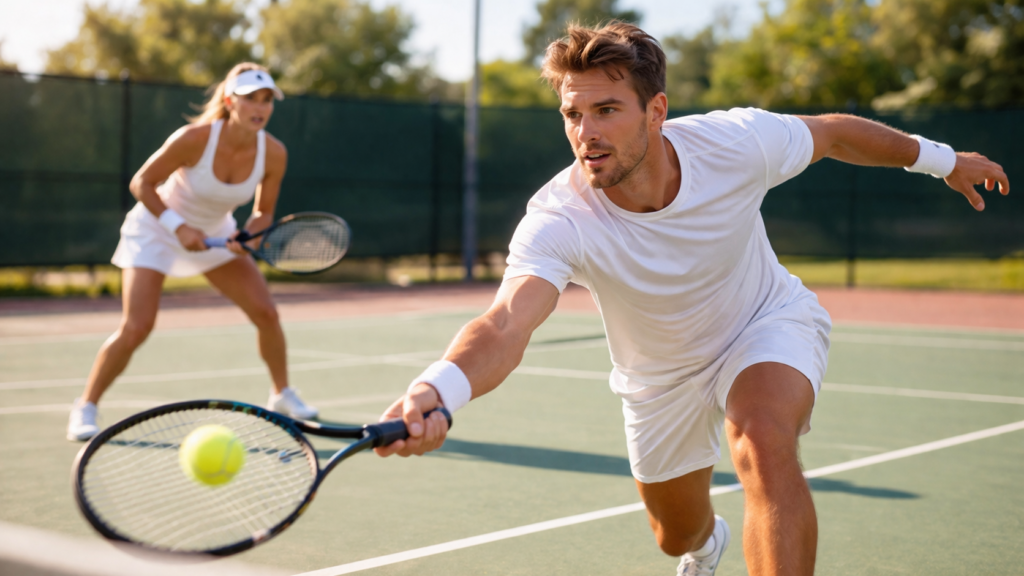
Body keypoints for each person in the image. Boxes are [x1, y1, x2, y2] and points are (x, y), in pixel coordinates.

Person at [373, 22, 1011, 575]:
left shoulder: (736, 143)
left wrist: (943, 158)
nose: (586, 133)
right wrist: (439, 390)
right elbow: (507, 322)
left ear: (656, 111)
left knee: (761, 438)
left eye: (607, 110)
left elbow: (833, 133)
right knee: (673, 533)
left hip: (764, 322)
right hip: (658, 379)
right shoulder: (558, 218)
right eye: (573, 114)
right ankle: (706, 546)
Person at [67, 63, 319, 442]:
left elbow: (263, 211)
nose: (261, 107)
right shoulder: (195, 139)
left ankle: (282, 394)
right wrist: (178, 227)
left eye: (268, 100)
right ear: (231, 101)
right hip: (155, 227)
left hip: (216, 234)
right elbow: (143, 183)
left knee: (266, 312)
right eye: (251, 98)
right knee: (137, 327)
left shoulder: (274, 153)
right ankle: (86, 405)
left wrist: (247, 236)